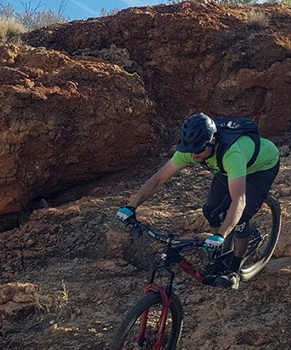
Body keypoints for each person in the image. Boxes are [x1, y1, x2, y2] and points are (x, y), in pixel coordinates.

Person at [116, 113, 280, 289]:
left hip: (262, 166)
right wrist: (131, 207)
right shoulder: (191, 150)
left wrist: (220, 235)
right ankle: (221, 252)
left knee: (240, 217)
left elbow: (239, 200)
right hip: (227, 170)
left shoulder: (232, 153)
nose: (193, 154)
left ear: (213, 141)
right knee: (211, 211)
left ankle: (234, 269)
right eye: (190, 150)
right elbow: (158, 179)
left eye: (198, 150)